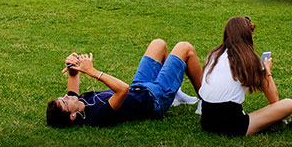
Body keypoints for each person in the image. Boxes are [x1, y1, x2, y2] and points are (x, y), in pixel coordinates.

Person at [46, 38, 202, 128]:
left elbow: (73, 78)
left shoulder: (79, 101)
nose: (66, 96)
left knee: (158, 44)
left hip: (140, 87)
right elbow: (123, 89)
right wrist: (93, 72)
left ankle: (176, 94)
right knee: (185, 47)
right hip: (154, 100)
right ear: (73, 116)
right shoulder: (97, 116)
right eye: (65, 102)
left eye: (62, 97)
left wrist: (72, 66)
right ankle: (206, 100)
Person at [198, 16, 292, 137]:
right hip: (233, 127)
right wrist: (267, 70)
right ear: (247, 36)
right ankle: (266, 125)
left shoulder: (214, 55)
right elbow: (274, 100)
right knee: (289, 104)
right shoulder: (249, 60)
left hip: (206, 121)